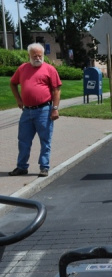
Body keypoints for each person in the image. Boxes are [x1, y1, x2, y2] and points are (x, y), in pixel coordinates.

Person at [9, 42, 62, 177]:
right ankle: (21, 167)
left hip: (44, 110)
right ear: (29, 56)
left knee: (45, 140)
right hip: (27, 111)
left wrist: (55, 108)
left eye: (40, 55)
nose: (37, 58)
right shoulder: (22, 68)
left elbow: (56, 90)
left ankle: (44, 167)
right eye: (34, 56)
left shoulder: (50, 69)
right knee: (23, 140)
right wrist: (18, 99)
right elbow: (13, 83)